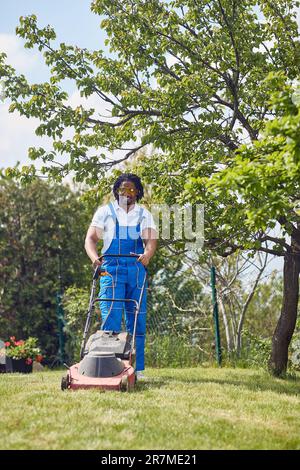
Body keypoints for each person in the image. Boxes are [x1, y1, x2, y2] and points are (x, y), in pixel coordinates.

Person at [84, 173, 157, 378]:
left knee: (137, 320)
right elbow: (90, 239)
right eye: (123, 189)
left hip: (135, 269)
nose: (127, 193)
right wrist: (94, 258)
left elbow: (151, 240)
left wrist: (147, 255)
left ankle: (137, 369)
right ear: (116, 191)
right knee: (111, 318)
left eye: (132, 189)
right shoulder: (104, 212)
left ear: (138, 193)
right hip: (111, 268)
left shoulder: (144, 214)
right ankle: (110, 368)